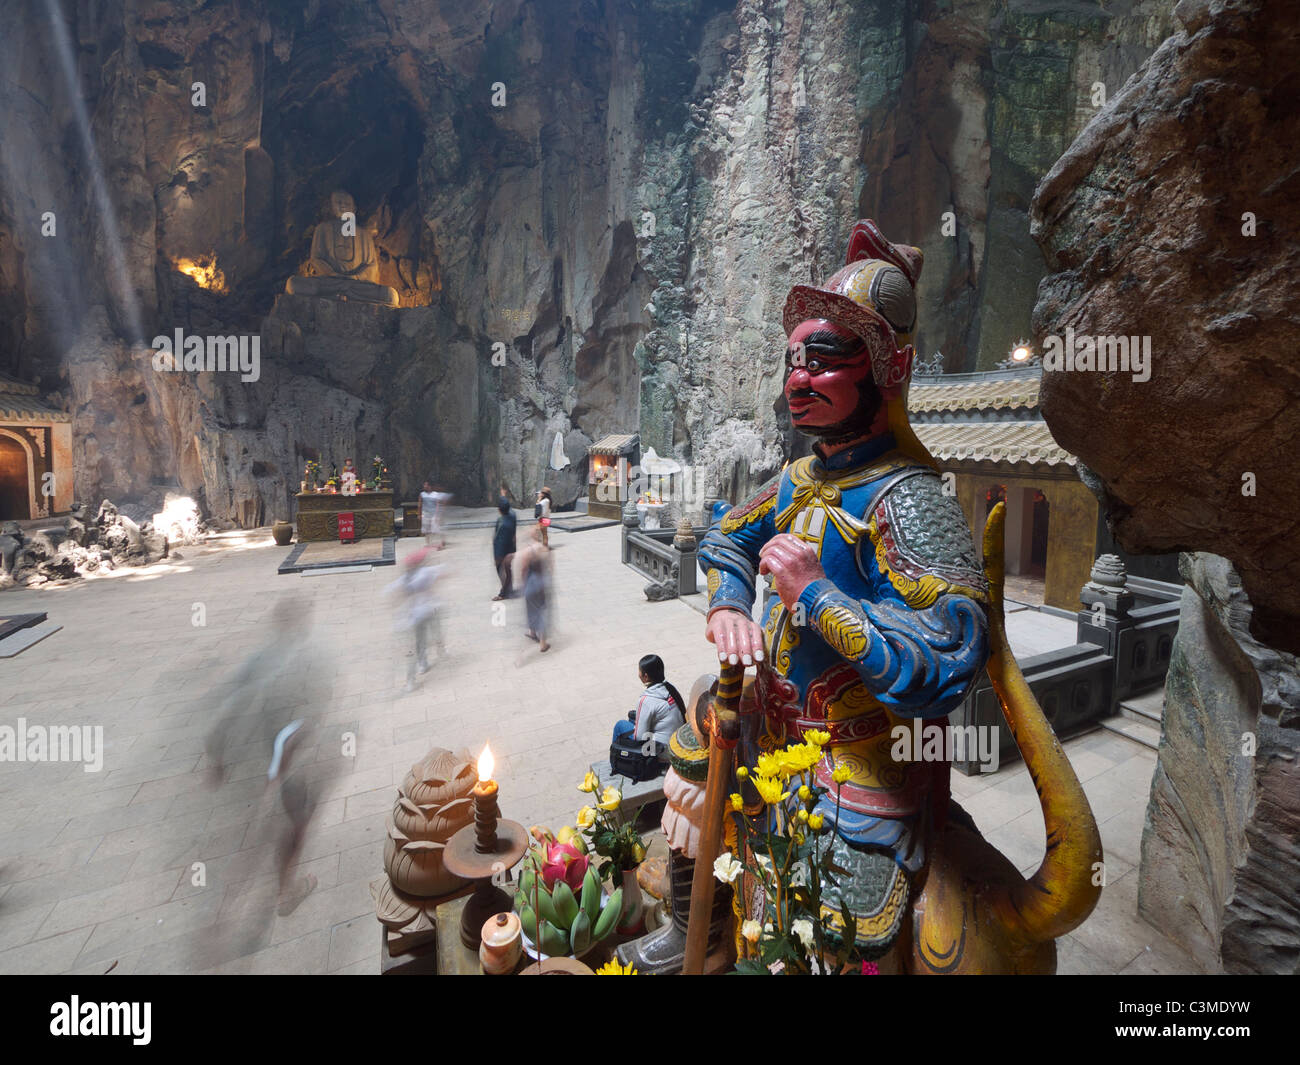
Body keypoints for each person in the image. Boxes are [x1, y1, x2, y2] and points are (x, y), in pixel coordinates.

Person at [611, 655, 686, 767]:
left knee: (620, 725)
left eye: (639, 671)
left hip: (662, 752)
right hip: (676, 744)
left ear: (645, 676)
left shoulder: (646, 700)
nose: (638, 674)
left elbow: (640, 737)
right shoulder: (670, 689)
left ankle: (617, 763)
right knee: (632, 718)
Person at [386, 546, 444, 690]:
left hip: (415, 615)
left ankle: (416, 674)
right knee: (421, 640)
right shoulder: (423, 573)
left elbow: (392, 591)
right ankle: (425, 661)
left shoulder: (409, 577)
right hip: (423, 613)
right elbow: (442, 571)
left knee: (417, 644)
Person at [517, 525, 551, 652]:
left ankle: (540, 641)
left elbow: (523, 569)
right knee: (541, 609)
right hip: (542, 582)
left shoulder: (528, 551)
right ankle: (535, 634)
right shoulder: (545, 549)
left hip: (531, 582)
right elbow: (550, 569)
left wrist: (522, 582)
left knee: (532, 609)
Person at [492, 497, 516, 601]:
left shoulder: (503, 524)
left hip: (504, 552)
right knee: (508, 570)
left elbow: (500, 542)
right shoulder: (512, 516)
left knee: (503, 572)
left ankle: (504, 593)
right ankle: (508, 589)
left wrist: (498, 558)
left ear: (499, 510)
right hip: (511, 548)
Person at [420, 480, 452, 548]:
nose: (424, 486)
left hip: (434, 513)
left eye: (426, 485)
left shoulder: (435, 494)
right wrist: (419, 514)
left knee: (436, 528)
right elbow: (420, 504)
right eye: (424, 485)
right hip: (425, 513)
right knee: (426, 529)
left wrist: (438, 515)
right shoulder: (422, 494)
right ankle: (428, 543)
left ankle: (442, 542)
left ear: (430, 486)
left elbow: (438, 505)